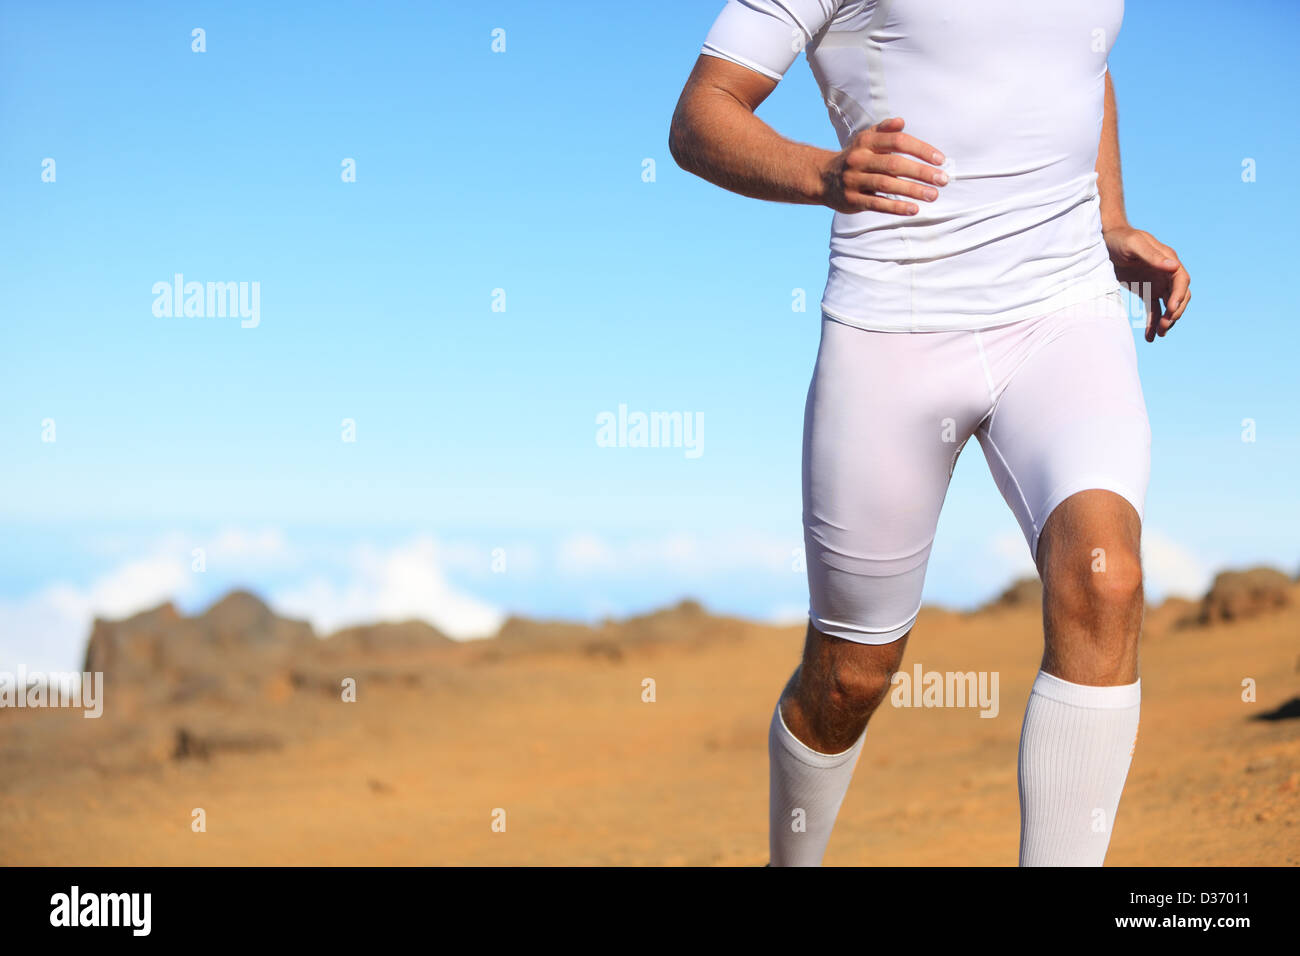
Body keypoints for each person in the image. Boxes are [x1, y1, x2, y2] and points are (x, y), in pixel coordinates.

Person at [669, 0, 1191, 866]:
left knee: (1106, 578)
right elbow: (701, 115)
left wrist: (1108, 222)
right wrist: (823, 173)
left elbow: (1083, 61)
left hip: (1064, 311)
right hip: (894, 328)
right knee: (851, 676)